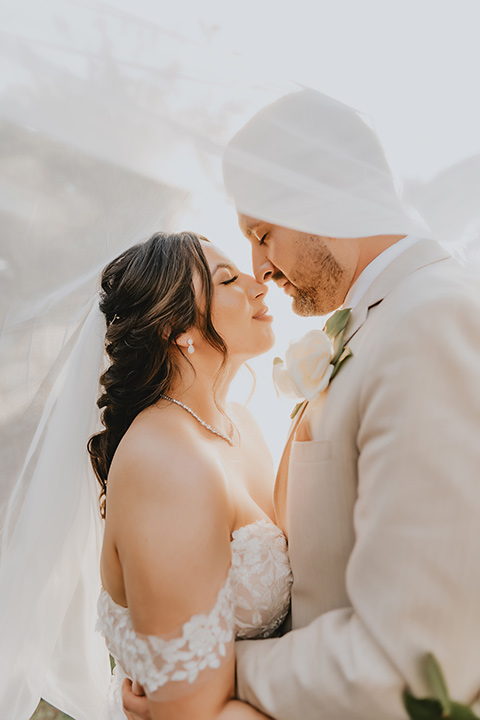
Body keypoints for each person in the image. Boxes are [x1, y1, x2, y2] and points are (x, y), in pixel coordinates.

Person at [122, 90, 480, 719]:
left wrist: (202, 675)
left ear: (323, 193)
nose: (261, 268)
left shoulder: (428, 322)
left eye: (263, 235)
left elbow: (414, 660)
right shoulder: (384, 323)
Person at [93, 230, 293, 719]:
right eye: (227, 279)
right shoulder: (161, 463)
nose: (258, 284)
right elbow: (191, 714)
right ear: (174, 328)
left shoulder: (238, 425)